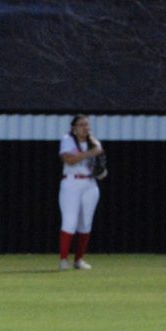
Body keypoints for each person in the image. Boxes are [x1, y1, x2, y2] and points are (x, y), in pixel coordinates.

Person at [57, 114, 105, 271]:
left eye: (87, 124)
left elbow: (100, 158)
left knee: (85, 223)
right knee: (69, 222)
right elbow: (69, 160)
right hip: (71, 182)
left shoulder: (93, 141)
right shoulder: (68, 139)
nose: (85, 127)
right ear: (74, 128)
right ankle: (63, 260)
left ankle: (79, 260)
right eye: (81, 124)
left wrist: (100, 170)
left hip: (90, 183)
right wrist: (89, 154)